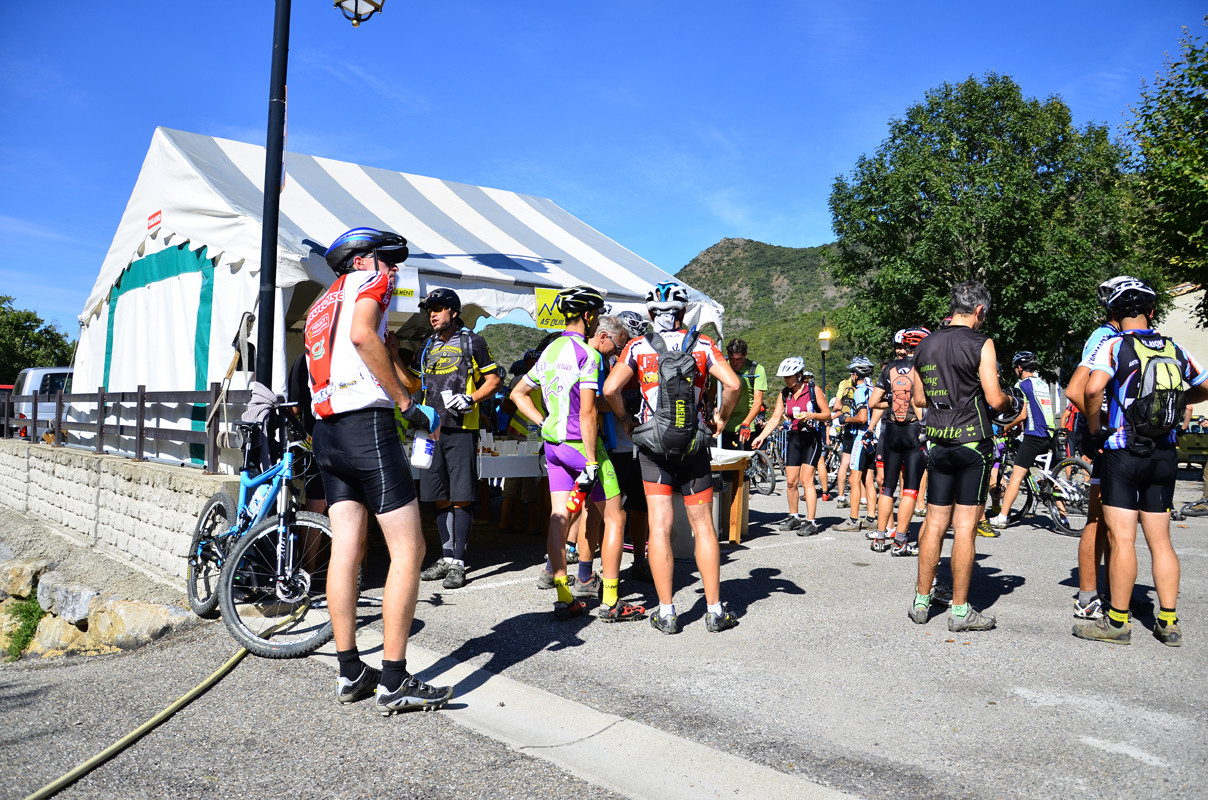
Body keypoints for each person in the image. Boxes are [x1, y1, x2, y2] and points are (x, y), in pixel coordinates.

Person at [303, 227, 452, 714]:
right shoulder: (371, 283)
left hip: (327, 429)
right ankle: (394, 680)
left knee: (346, 547)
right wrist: (406, 402)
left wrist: (406, 383)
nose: (394, 273)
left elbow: (370, 347)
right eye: (389, 262)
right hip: (366, 425)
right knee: (410, 547)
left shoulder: (320, 303)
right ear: (364, 260)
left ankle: (350, 672)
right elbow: (363, 335)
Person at [603, 281, 743, 634]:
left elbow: (610, 389)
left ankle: (666, 612)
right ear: (683, 312)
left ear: (652, 313)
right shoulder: (704, 345)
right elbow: (734, 384)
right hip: (693, 446)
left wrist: (625, 419)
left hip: (653, 447)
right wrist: (720, 419)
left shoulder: (637, 346)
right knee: (703, 528)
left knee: (660, 528)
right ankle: (714, 610)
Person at [1076, 280, 1208, 646]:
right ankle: (1168, 621)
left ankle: (1117, 622)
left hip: (1124, 451)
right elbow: (1206, 385)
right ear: (1151, 312)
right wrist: (1181, 401)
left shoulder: (1114, 345)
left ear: (1114, 315)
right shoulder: (1173, 346)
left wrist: (1095, 427)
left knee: (1122, 539)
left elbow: (1091, 388)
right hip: (1165, 453)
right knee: (1161, 541)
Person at [511, 289, 645, 622]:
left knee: (560, 516)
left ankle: (564, 598)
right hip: (579, 445)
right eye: (596, 315)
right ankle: (612, 601)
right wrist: (591, 460)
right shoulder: (588, 354)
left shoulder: (550, 349)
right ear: (588, 317)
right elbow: (587, 413)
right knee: (616, 517)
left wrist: (543, 421)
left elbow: (518, 393)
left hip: (552, 445)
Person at [908, 281, 1019, 632]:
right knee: (966, 527)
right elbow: (995, 398)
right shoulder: (981, 343)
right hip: (973, 443)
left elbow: (920, 399)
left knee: (935, 523)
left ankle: (921, 601)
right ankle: (959, 611)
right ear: (980, 311)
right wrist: (1014, 403)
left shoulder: (925, 345)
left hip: (938, 442)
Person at [414, 288, 504, 590]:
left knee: (462, 494)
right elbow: (415, 383)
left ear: (453, 312)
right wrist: (390, 355)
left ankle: (459, 562)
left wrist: (472, 398)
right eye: (430, 310)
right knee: (437, 496)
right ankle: (446, 555)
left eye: (438, 309)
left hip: (461, 428)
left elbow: (494, 380)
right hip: (431, 429)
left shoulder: (472, 341)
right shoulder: (426, 346)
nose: (433, 314)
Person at [867, 327, 929, 555]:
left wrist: (892, 402)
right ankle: (900, 541)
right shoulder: (926, 368)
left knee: (887, 487)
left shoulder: (890, 368)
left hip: (891, 431)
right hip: (914, 431)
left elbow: (873, 402)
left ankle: (880, 537)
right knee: (910, 489)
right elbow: (923, 403)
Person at [752, 357, 829, 534]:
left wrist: (811, 415)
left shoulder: (813, 390)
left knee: (806, 480)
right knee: (791, 482)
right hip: (794, 438)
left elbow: (827, 414)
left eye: (789, 376)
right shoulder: (784, 394)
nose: (786, 380)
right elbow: (774, 418)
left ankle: (811, 521)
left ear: (799, 375)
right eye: (784, 377)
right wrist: (762, 437)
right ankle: (794, 516)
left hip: (811, 438)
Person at [988, 352, 1058, 530]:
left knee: (1016, 478)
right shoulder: (1042, 383)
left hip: (1034, 435)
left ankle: (1002, 517)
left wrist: (1005, 427)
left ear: (1019, 368)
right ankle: (1062, 519)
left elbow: (1023, 414)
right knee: (1052, 478)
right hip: (1051, 434)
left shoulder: (1022, 385)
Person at [833, 356, 876, 531]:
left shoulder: (859, 390)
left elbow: (862, 417)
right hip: (873, 438)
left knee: (855, 478)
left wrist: (846, 419)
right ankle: (871, 518)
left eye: (852, 372)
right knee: (869, 479)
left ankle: (853, 519)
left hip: (860, 437)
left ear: (856, 374)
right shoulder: (873, 389)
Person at [719, 339, 767, 450]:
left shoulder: (757, 370)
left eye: (739, 359)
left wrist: (746, 423)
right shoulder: (722, 367)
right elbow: (712, 392)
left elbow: (757, 402)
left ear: (745, 354)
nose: (735, 363)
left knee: (743, 464)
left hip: (746, 426)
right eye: (732, 359)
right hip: (724, 425)